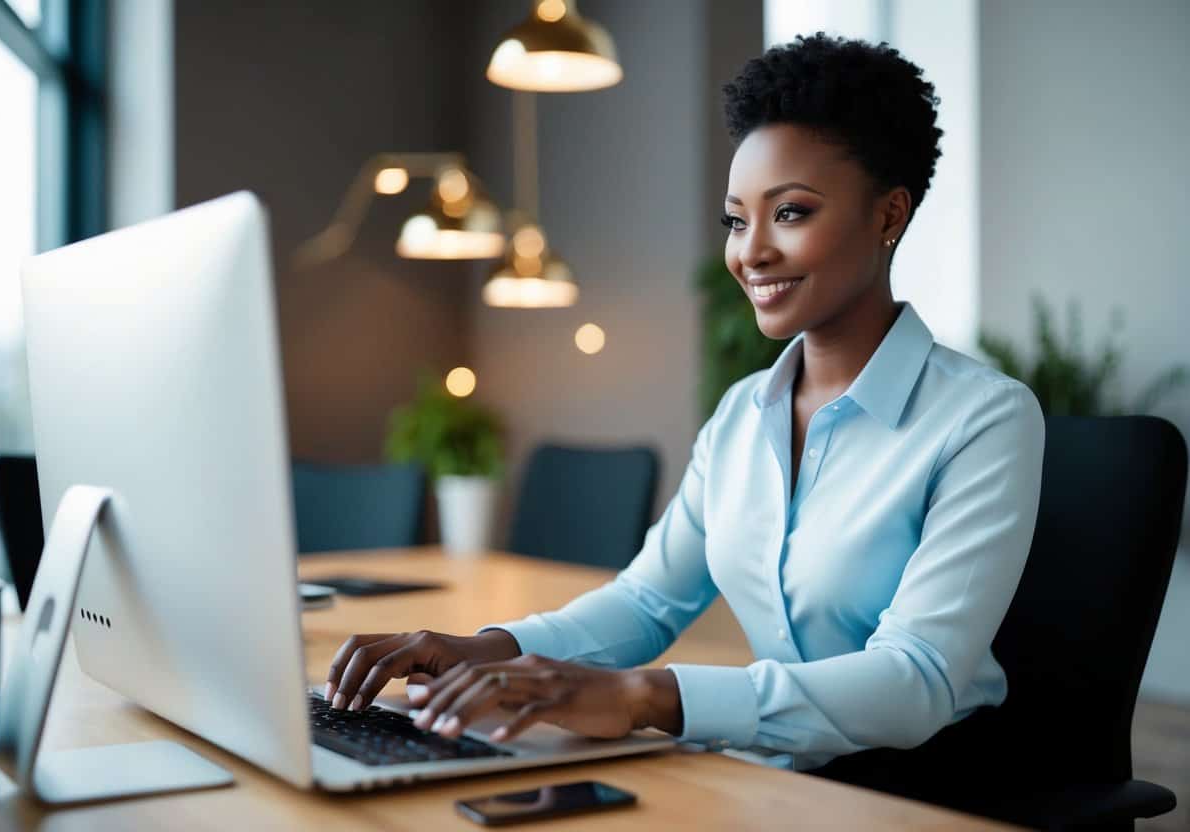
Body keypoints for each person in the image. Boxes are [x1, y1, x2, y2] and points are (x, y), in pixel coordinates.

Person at [323, 32, 1046, 772]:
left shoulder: (982, 419)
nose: (750, 252)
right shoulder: (742, 414)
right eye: (736, 220)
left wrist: (648, 697)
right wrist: (485, 648)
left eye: (790, 213)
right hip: (773, 769)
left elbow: (914, 681)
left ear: (889, 215)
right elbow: (645, 602)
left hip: (927, 783)